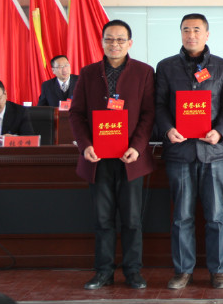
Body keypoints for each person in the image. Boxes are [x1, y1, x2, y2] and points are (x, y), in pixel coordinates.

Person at [69, 19, 155, 290]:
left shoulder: (144, 72)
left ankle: (133, 272)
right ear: (102, 42)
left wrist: (137, 147)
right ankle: (104, 271)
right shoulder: (88, 73)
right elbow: (76, 114)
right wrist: (85, 146)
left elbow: (149, 114)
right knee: (103, 219)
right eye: (109, 39)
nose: (114, 44)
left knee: (132, 220)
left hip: (130, 159)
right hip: (97, 159)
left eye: (120, 39)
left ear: (130, 43)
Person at [155, 14, 223, 290]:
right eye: (186, 30)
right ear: (180, 33)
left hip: (213, 152)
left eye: (197, 30)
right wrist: (168, 129)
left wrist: (220, 131)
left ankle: (219, 271)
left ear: (207, 34)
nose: (191, 35)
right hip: (179, 151)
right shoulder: (166, 67)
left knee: (216, 215)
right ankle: (183, 270)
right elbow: (159, 106)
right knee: (182, 216)